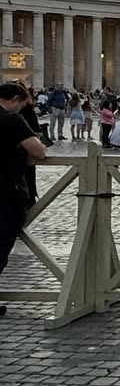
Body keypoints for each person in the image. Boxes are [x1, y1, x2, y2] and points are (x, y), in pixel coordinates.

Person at [0, 83, 48, 315]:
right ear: (15, 100)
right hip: (6, 190)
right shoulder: (11, 120)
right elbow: (38, 151)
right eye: (22, 104)